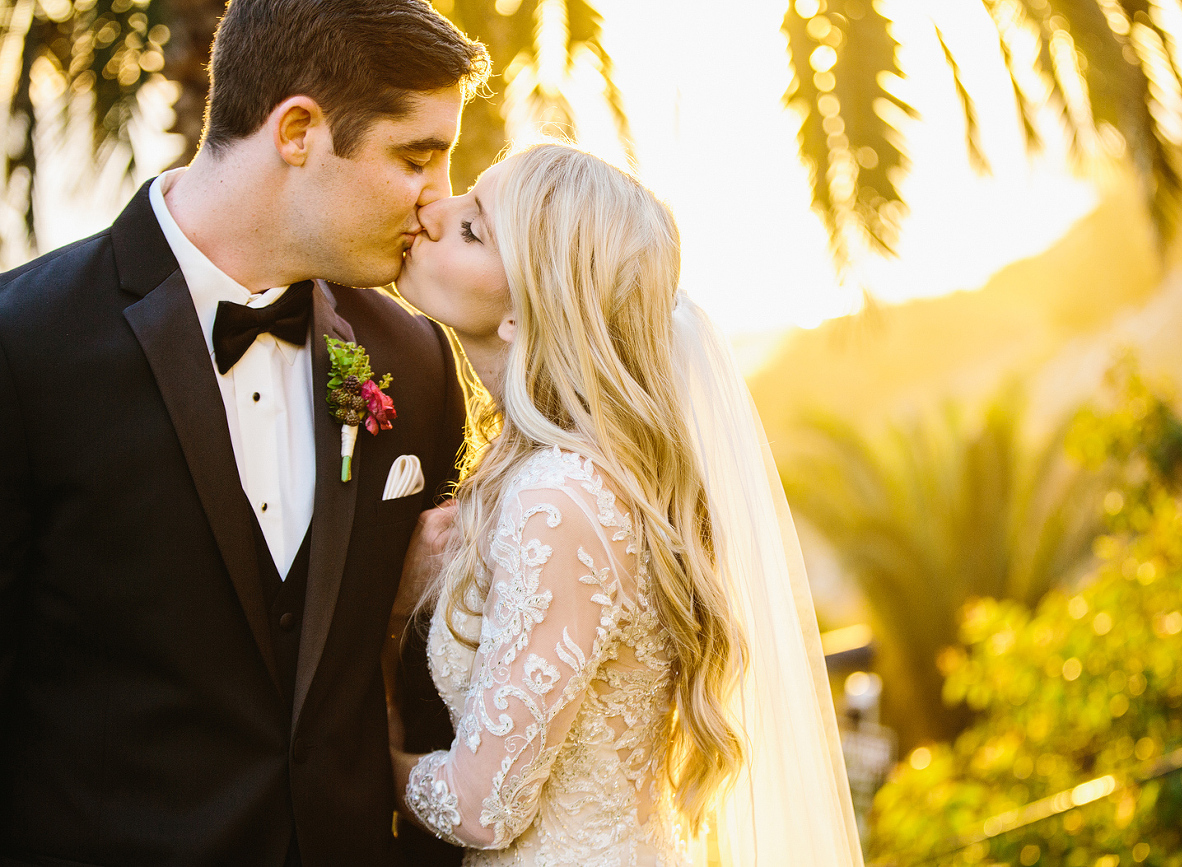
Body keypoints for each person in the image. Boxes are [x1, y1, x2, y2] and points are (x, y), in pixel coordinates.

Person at [0, 0, 485, 864]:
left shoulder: (414, 361)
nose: (438, 198)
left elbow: (433, 694)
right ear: (297, 130)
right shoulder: (24, 346)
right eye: (417, 156)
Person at [387, 143, 864, 866]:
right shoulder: (566, 476)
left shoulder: (558, 494)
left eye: (473, 228)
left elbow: (480, 807)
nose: (433, 207)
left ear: (527, 311)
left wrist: (351, 753)